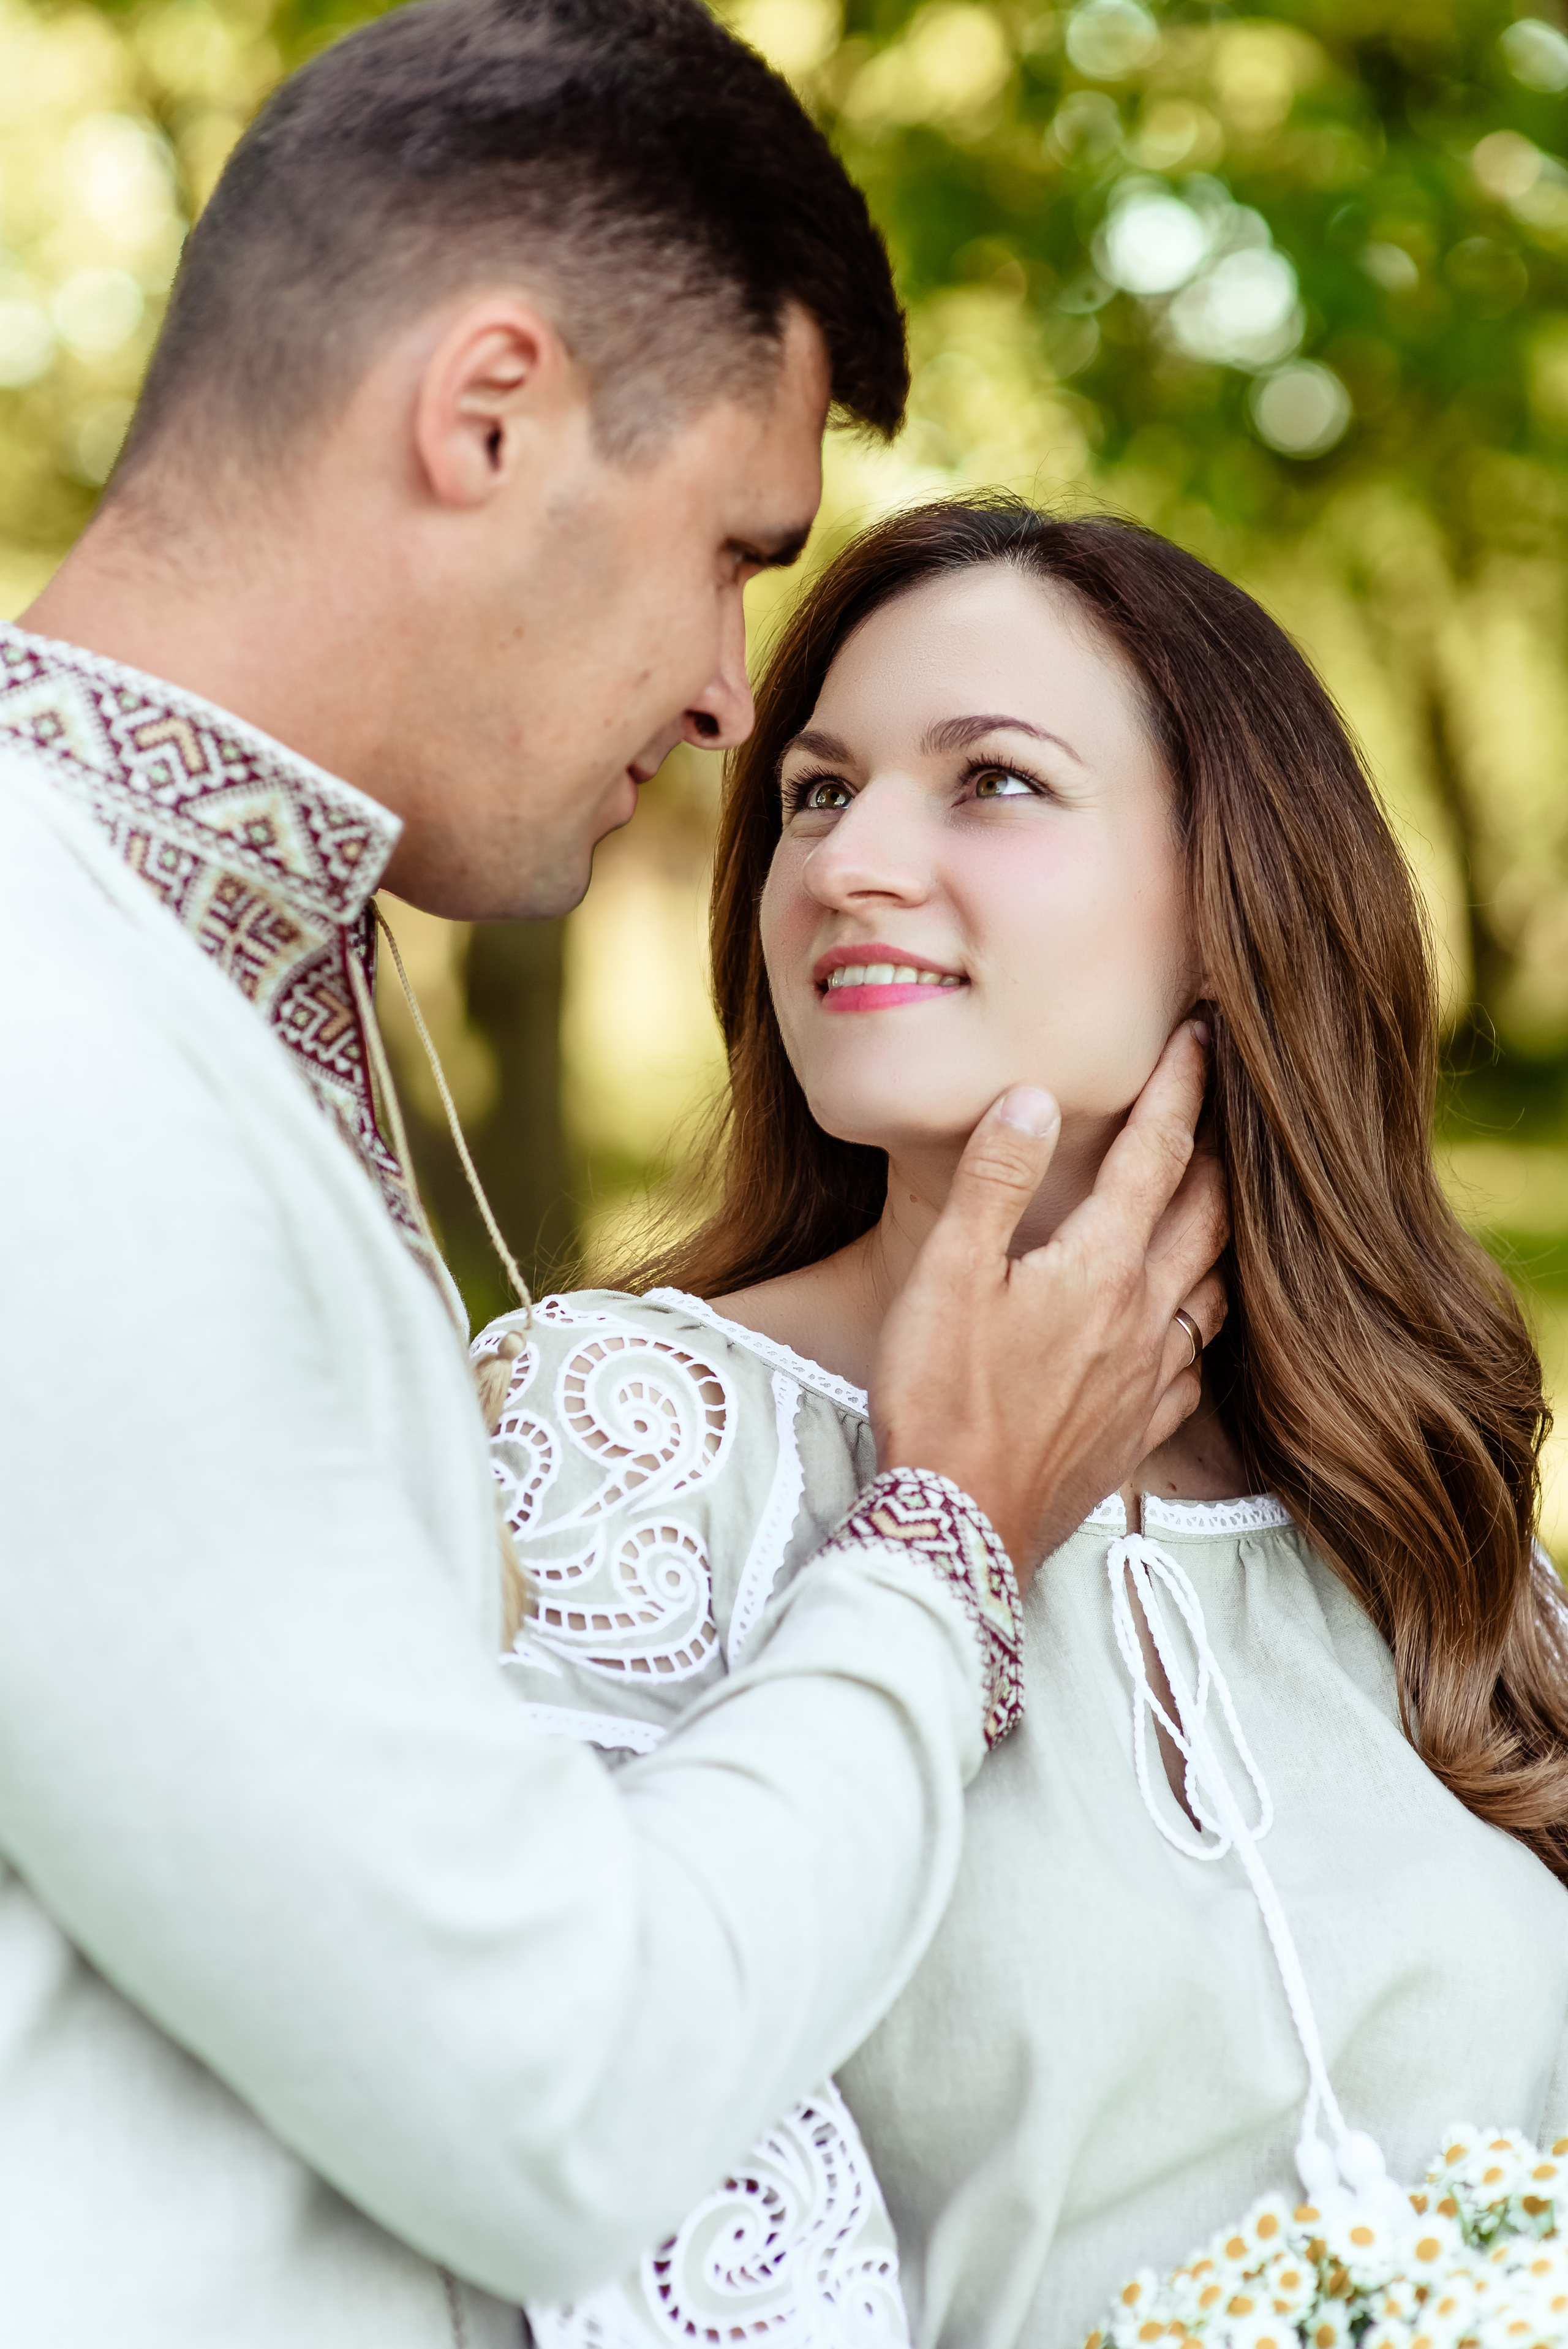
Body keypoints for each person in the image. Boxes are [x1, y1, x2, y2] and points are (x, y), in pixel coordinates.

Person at [0, 7, 1228, 2345]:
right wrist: (943, 1546)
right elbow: (550, 2093)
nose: (727, 700)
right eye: (727, 556)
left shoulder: (173, 979)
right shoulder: (45, 1047)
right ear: (489, 417)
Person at [485, 497, 1568, 2349]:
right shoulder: (629, 1430)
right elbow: (571, 2150)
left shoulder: (1398, 1472)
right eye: (815, 795)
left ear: (1236, 894)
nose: (849, 864)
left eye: (989, 780)